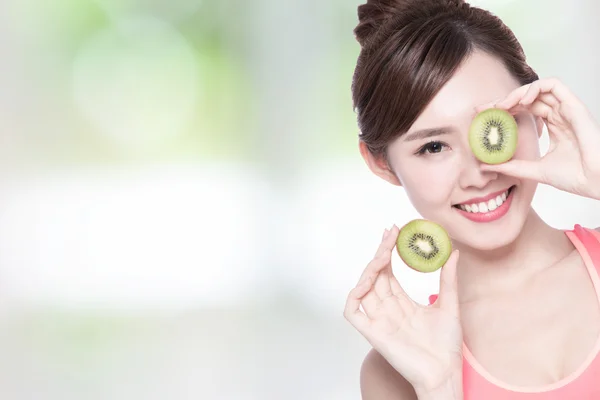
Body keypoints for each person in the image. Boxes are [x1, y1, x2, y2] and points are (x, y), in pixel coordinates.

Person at [342, 0, 600, 399]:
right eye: (432, 147)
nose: (479, 172)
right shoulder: (398, 369)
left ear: (536, 111)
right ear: (381, 164)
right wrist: (439, 387)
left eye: (493, 126)